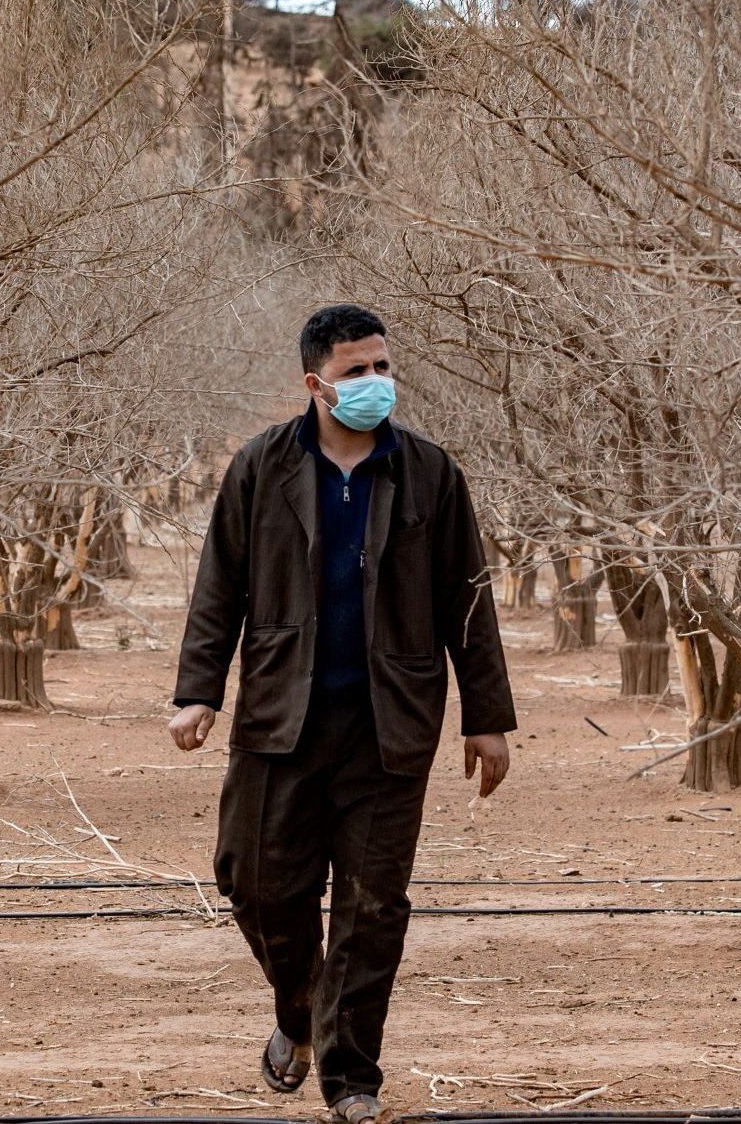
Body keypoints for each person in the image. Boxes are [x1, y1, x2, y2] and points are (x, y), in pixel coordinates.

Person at [169, 304, 517, 1124]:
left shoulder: (431, 473)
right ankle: (298, 1009)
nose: (374, 384)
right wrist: (198, 690)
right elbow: (219, 585)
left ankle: (350, 1077)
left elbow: (468, 601)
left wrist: (486, 715)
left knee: (372, 904)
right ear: (314, 382)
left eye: (383, 368)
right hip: (278, 717)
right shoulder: (261, 467)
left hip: (388, 723)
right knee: (252, 880)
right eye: (356, 370)